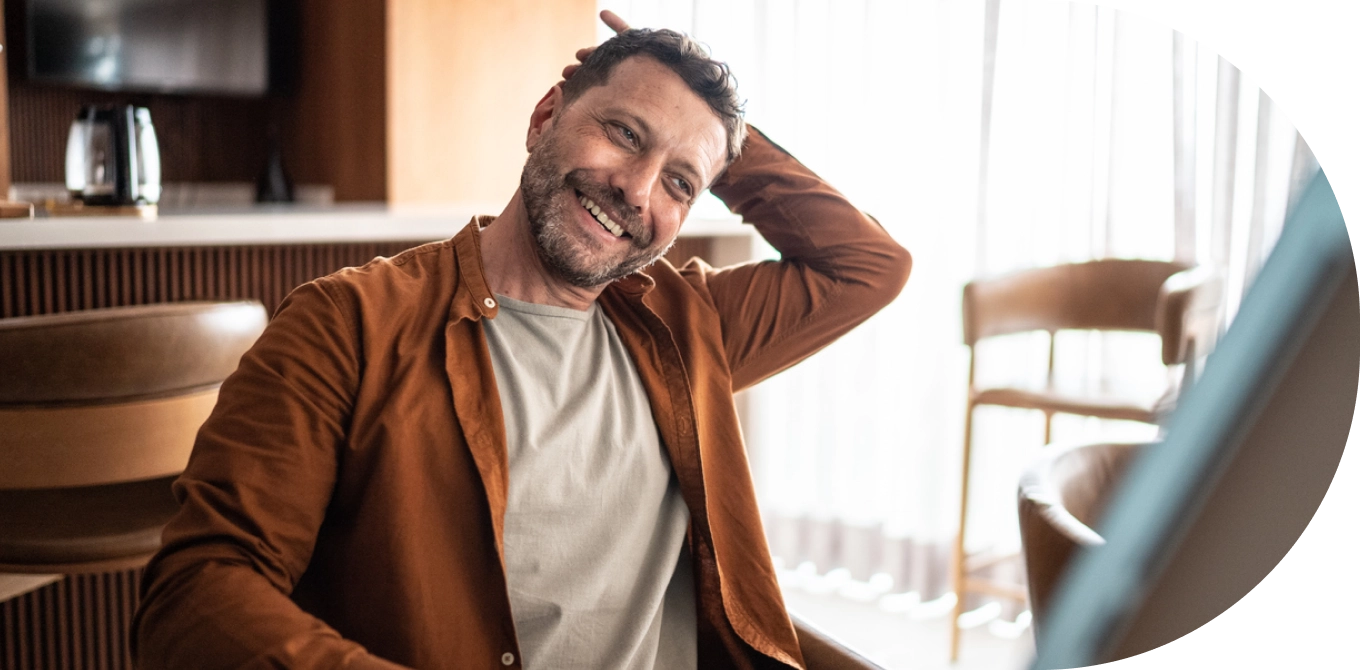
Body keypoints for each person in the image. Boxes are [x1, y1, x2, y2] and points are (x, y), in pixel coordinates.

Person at [132, 11, 910, 670]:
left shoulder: (691, 326)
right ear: (546, 118)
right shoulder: (349, 325)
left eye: (679, 183)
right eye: (623, 132)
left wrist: (720, 146)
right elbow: (197, 594)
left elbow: (870, 266)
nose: (637, 191)